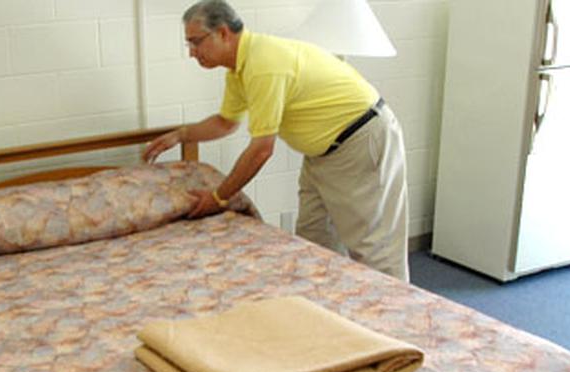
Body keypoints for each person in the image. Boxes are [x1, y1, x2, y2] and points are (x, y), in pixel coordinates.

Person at [143, 0, 410, 281]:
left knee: (373, 245)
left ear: (223, 33)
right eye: (189, 45)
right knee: (314, 239)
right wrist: (180, 135)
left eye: (196, 42)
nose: (192, 53)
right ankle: (327, 312)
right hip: (323, 153)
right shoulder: (239, 70)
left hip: (358, 141)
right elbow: (226, 123)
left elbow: (261, 150)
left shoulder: (263, 64)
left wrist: (219, 198)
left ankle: (398, 319)